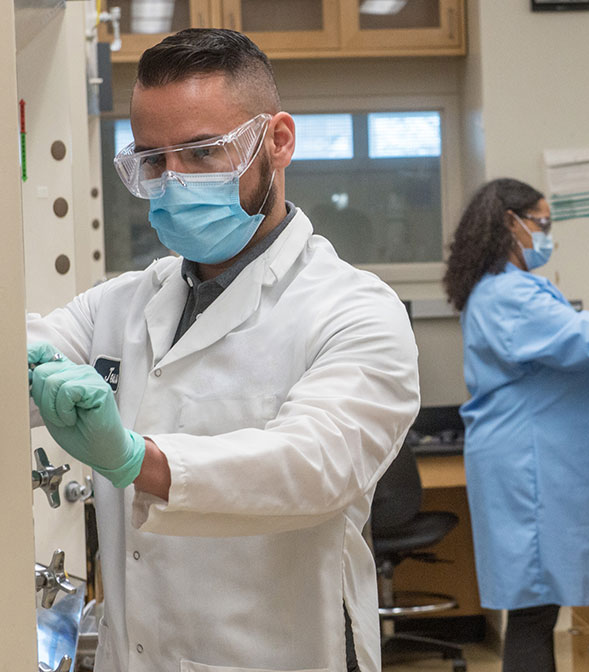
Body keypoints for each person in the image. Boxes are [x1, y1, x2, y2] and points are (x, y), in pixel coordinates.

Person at [25, 29, 419, 671]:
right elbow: (25, 358)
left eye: (202, 153)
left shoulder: (354, 309)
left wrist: (136, 461)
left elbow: (314, 465)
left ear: (278, 141)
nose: (174, 182)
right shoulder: (122, 305)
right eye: (153, 160)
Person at [443, 178, 589, 672]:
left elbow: (559, 377)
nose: (547, 234)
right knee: (534, 608)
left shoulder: (510, 291)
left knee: (537, 607)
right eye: (542, 224)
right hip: (527, 466)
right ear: (510, 224)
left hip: (529, 456)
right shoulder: (508, 295)